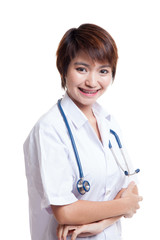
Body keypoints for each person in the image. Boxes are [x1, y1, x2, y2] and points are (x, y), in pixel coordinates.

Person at [23, 23, 143, 240]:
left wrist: (100, 224)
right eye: (81, 69)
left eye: (103, 71)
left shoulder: (109, 122)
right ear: (64, 69)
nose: (92, 82)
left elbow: (131, 191)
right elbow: (65, 211)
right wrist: (124, 205)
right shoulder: (50, 129)